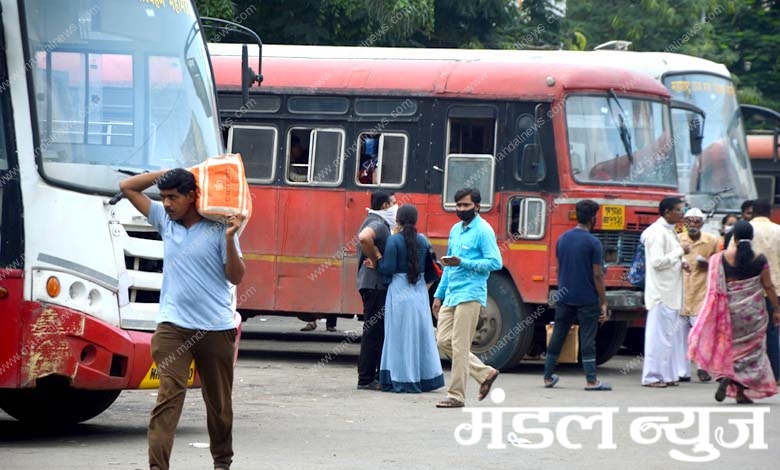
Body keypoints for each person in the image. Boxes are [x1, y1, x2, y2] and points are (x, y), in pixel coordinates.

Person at [119, 168, 245, 470]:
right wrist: (168, 172)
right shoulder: (165, 222)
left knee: (219, 404)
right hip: (172, 327)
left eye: (173, 197)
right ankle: (157, 467)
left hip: (216, 329)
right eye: (163, 198)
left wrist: (230, 238)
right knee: (168, 397)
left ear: (191, 197)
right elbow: (127, 187)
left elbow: (236, 276)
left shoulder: (218, 229)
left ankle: (222, 462)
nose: (166, 204)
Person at [689, 221, 780, 403]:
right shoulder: (760, 259)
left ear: (734, 238)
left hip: (729, 312)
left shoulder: (720, 258)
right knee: (752, 351)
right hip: (753, 314)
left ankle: (731, 380)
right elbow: (768, 286)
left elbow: (715, 286)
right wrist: (776, 308)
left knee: (731, 347)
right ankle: (741, 391)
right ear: (752, 238)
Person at [433, 188, 502, 408]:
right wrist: (438, 295)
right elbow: (448, 264)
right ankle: (485, 373)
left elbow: (495, 262)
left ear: (477, 207)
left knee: (460, 346)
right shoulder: (455, 229)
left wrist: (464, 263)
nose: (461, 209)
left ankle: (456, 396)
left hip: (471, 294)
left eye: (466, 206)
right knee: (443, 341)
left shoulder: (483, 230)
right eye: (459, 206)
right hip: (452, 294)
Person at [366, 204, 445, 392]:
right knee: (419, 337)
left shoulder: (394, 241)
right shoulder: (423, 241)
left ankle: (401, 379)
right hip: (418, 295)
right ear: (416, 220)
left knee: (398, 338)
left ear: (398, 220)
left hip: (399, 293)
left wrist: (376, 259)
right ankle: (424, 379)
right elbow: (432, 271)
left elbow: (388, 268)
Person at [543, 200, 611, 391]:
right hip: (587, 298)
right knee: (588, 338)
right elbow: (597, 275)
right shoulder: (593, 242)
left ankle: (548, 376)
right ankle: (591, 380)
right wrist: (603, 302)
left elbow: (559, 269)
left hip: (564, 296)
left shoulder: (562, 238)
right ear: (592, 218)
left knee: (559, 333)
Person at [641, 197, 691, 388]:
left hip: (670, 292)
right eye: (679, 210)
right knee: (658, 337)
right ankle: (652, 376)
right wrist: (679, 252)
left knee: (668, 338)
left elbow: (667, 259)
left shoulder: (670, 232)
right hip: (660, 294)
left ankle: (667, 375)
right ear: (667, 212)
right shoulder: (657, 232)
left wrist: (681, 263)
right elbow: (656, 262)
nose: (682, 214)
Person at [355, 191, 397, 390]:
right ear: (384, 205)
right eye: (393, 203)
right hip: (374, 285)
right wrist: (378, 258)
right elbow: (364, 238)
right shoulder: (377, 223)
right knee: (373, 331)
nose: (396, 207)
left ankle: (371, 376)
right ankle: (365, 378)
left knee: (376, 330)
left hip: (372, 284)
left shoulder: (378, 221)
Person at [678, 207, 719, 383]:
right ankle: (682, 371)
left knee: (701, 333)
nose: (693, 224)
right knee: (680, 335)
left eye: (696, 221)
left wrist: (709, 265)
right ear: (684, 223)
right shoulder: (678, 239)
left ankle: (702, 367)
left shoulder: (711, 241)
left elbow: (719, 265)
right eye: (689, 221)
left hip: (701, 293)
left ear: (702, 223)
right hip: (681, 293)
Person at [749, 198, 780, 384]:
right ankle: (775, 375)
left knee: (750, 334)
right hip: (775, 289)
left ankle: (751, 375)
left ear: (752, 211)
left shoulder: (744, 230)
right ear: (769, 212)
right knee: (772, 333)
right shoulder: (778, 231)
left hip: (748, 290)